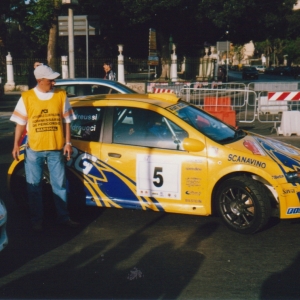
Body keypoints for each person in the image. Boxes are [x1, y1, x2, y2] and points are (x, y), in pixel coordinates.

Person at [10, 65, 79, 232]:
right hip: (34, 149)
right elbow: (20, 124)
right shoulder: (27, 97)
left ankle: (63, 217)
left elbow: (67, 121)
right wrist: (16, 144)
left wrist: (68, 143)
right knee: (34, 187)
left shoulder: (61, 96)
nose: (54, 82)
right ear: (40, 81)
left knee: (60, 185)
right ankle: (37, 221)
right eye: (50, 80)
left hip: (56, 148)